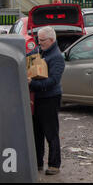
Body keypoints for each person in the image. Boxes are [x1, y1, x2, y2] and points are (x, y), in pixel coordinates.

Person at [29, 26, 65, 175]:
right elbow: (28, 56)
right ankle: (37, 163)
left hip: (50, 98)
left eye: (42, 40)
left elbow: (52, 81)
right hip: (38, 98)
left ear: (51, 40)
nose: (39, 42)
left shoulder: (57, 57)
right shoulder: (40, 51)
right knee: (37, 132)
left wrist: (32, 84)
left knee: (51, 133)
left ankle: (54, 165)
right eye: (38, 39)